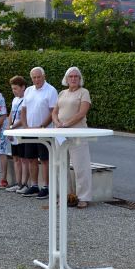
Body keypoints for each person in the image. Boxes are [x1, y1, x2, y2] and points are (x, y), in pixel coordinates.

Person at [53, 66, 94, 209]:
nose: (73, 78)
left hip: (77, 134)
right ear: (66, 78)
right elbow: (55, 112)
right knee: (61, 165)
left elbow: (82, 113)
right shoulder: (62, 93)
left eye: (76, 76)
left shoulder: (84, 92)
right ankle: (66, 196)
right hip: (61, 134)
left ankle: (83, 197)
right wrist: (57, 123)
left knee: (81, 167)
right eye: (71, 76)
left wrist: (66, 124)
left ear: (80, 78)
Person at [20, 66, 57, 199]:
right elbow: (23, 110)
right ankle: (34, 185)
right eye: (34, 77)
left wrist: (42, 126)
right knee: (31, 158)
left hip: (44, 131)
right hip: (29, 131)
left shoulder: (51, 90)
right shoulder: (28, 90)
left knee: (45, 159)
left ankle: (46, 187)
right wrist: (25, 126)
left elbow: (53, 112)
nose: (36, 80)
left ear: (44, 76)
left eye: (39, 77)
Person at [4, 76, 30, 194]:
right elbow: (11, 114)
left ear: (23, 87)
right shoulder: (15, 100)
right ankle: (18, 182)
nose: (14, 91)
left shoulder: (27, 100)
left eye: (16, 88)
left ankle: (25, 183)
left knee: (24, 159)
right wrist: (9, 128)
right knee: (16, 158)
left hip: (22, 132)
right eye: (12, 89)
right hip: (14, 133)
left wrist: (12, 128)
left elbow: (24, 117)